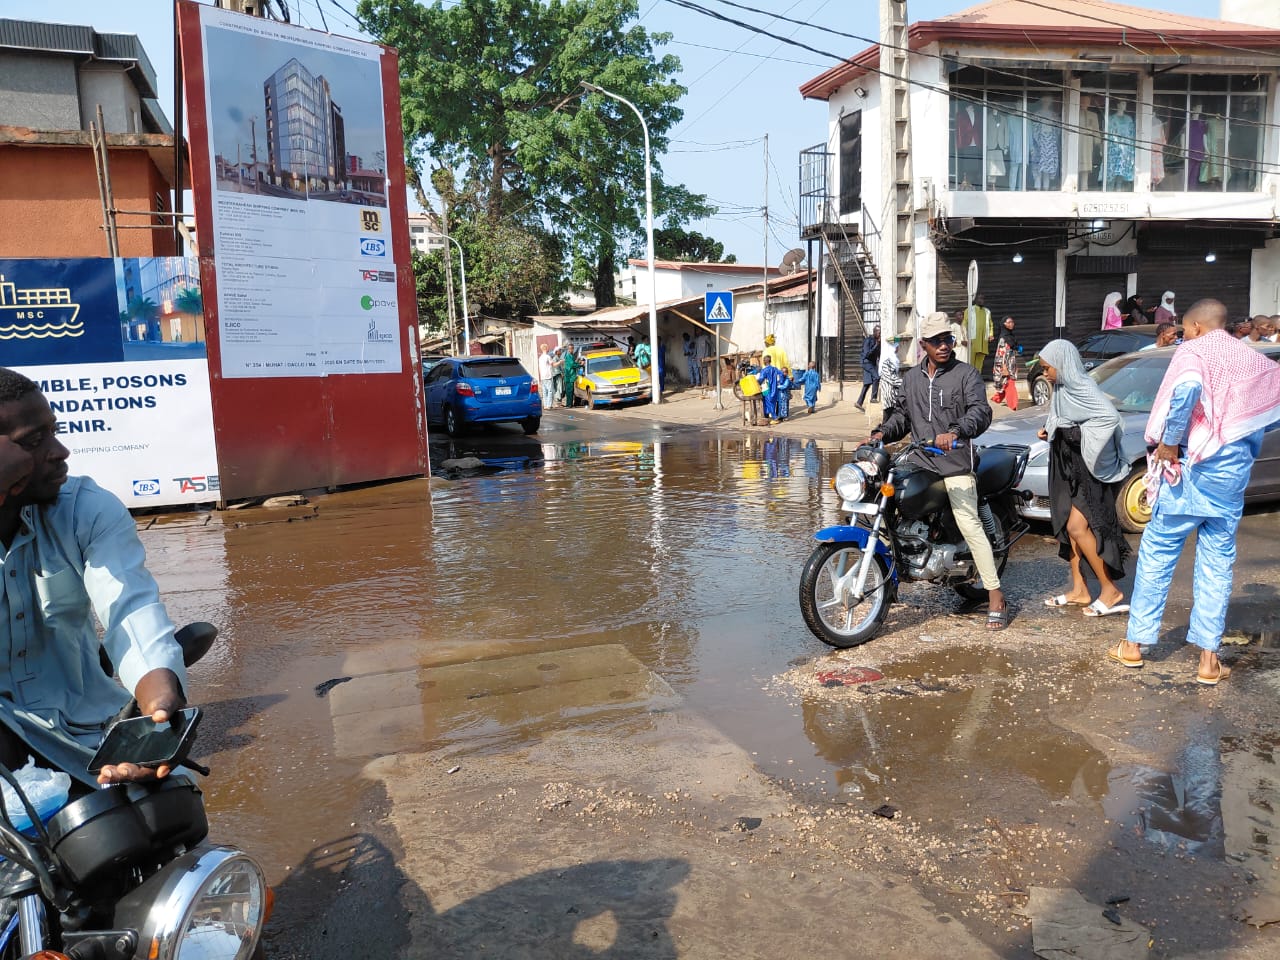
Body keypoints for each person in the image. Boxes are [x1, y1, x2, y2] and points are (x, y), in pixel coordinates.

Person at [0, 368, 187, 785]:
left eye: (53, 432)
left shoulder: (87, 509)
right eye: (33, 441)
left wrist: (159, 702)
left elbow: (131, 610)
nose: (60, 451)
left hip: (90, 735)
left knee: (171, 804)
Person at [1111, 299, 1280, 684]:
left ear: (1198, 327)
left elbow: (1187, 389)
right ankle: (1208, 660)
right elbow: (1266, 412)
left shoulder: (1194, 352)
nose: (1182, 336)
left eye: (1185, 329)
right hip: (1231, 475)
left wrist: (1170, 440)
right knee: (1217, 563)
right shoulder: (1251, 358)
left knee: (1157, 553)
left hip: (1189, 470)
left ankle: (1134, 645)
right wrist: (1237, 434)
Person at [869, 312, 1008, 628]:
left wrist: (956, 431)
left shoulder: (966, 374)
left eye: (948, 339)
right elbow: (902, 416)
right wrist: (881, 433)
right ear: (923, 344)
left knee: (969, 523)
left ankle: (995, 595)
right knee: (889, 507)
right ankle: (897, 573)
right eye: (936, 341)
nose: (944, 345)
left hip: (956, 462)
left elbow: (980, 411)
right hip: (920, 460)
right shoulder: (911, 378)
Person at [1035, 340, 1131, 616]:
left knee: (1078, 527)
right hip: (1067, 465)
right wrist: (1050, 429)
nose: (1045, 374)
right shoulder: (1062, 389)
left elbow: (1109, 418)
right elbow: (1062, 418)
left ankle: (1110, 590)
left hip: (1087, 469)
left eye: (1048, 368)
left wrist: (1076, 434)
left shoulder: (1084, 387)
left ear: (1062, 364)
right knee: (1067, 526)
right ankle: (1080, 590)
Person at [990, 316, 1020, 409]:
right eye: (1009, 322)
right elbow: (1001, 354)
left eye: (1012, 322)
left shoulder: (1011, 337)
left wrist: (1015, 366)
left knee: (1004, 386)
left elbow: (1011, 353)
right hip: (1004, 366)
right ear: (1004, 324)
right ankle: (1013, 406)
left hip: (1011, 365)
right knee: (1009, 385)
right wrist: (1004, 368)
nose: (1011, 324)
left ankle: (994, 400)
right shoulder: (1003, 338)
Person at [964, 293, 993, 376]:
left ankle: (977, 377)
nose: (982, 300)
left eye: (983, 299)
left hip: (984, 340)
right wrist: (965, 338)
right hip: (972, 340)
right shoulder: (969, 310)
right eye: (980, 298)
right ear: (975, 300)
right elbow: (964, 324)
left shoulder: (987, 311)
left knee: (980, 360)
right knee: (971, 360)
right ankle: (970, 377)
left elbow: (990, 324)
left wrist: (991, 334)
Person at [756, 356, 788, 424]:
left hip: (767, 389)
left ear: (764, 361)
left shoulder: (764, 370)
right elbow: (781, 373)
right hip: (775, 389)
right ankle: (768, 416)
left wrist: (756, 382)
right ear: (770, 361)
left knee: (767, 402)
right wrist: (780, 382)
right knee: (772, 403)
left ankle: (774, 417)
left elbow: (761, 379)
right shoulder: (775, 369)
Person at [856, 326, 881, 411]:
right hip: (866, 362)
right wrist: (876, 345)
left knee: (867, 383)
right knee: (876, 377)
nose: (880, 335)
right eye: (879, 333)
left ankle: (859, 403)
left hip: (872, 363)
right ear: (875, 332)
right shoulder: (868, 340)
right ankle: (873, 398)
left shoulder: (877, 341)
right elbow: (867, 354)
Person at [537, 343, 555, 410]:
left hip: (542, 376)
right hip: (548, 376)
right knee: (550, 391)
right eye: (548, 348)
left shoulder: (540, 358)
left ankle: (545, 405)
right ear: (546, 348)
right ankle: (549, 405)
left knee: (544, 392)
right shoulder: (548, 357)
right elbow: (553, 364)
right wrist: (560, 362)